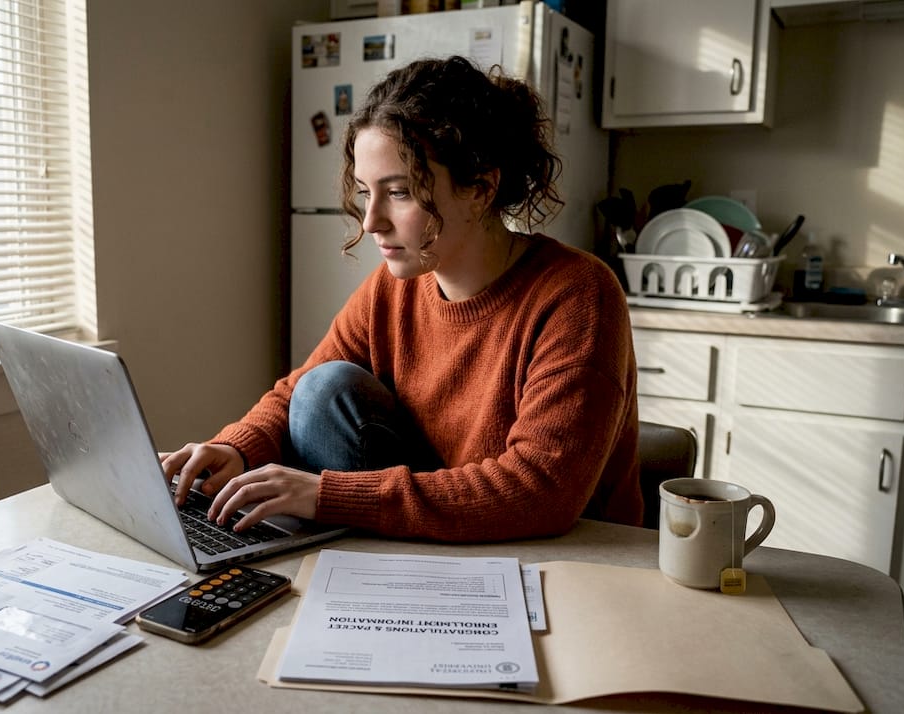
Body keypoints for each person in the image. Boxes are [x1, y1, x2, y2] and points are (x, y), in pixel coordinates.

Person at [162, 55, 641, 542]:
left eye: (399, 193)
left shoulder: (578, 295)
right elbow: (297, 390)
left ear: (481, 188)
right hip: (441, 530)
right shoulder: (393, 288)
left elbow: (541, 490)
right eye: (365, 192)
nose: (371, 222)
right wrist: (236, 448)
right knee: (322, 389)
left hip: (565, 555)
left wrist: (327, 495)